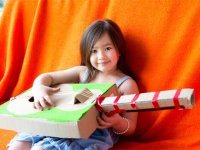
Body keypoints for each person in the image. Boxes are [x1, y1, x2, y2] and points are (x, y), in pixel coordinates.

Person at [8, 19, 139, 150]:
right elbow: (48, 77)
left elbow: (131, 127)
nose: (101, 56)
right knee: (17, 146)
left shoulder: (126, 85)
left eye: (108, 48)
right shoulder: (83, 73)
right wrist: (39, 88)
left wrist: (117, 122)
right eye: (94, 51)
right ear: (87, 54)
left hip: (91, 136)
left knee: (39, 149)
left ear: (119, 49)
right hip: (60, 124)